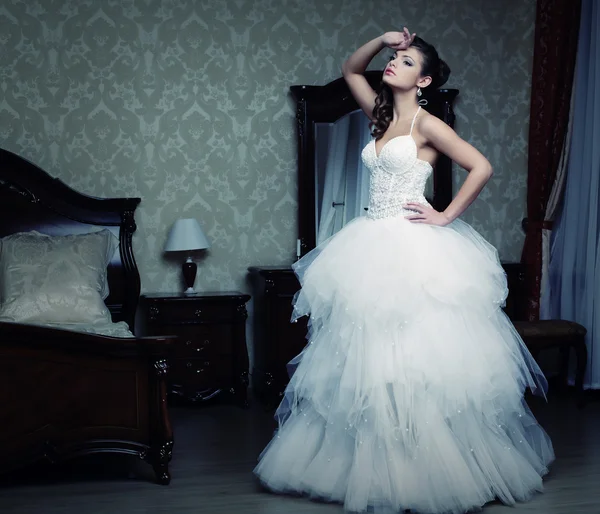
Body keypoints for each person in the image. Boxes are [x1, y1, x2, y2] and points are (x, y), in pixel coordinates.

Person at [254, 28, 554, 514]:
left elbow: (481, 166)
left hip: (413, 247)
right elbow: (351, 69)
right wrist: (381, 39)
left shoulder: (427, 124)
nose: (394, 63)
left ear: (425, 79)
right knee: (366, 358)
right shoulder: (381, 114)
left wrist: (445, 215)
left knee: (415, 360)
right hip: (370, 239)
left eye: (407, 60)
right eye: (396, 58)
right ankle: (367, 464)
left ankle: (427, 469)